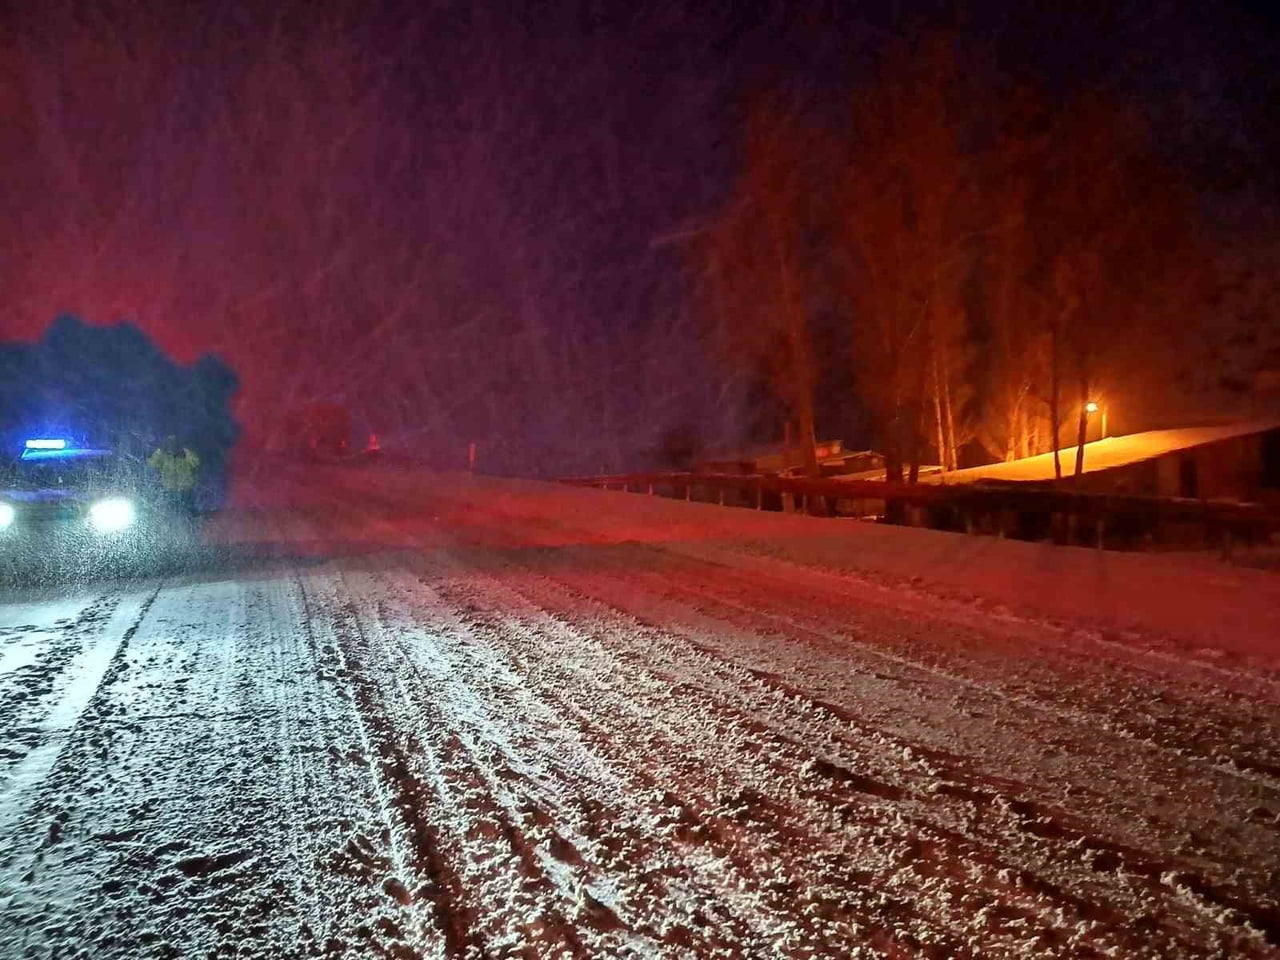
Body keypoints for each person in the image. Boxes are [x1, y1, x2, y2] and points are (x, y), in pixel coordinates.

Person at [147, 436, 201, 513]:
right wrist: (159, 450)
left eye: (174, 442)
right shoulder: (164, 458)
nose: (172, 444)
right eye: (170, 442)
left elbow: (196, 462)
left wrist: (186, 449)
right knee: (169, 513)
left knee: (188, 513)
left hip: (185, 492)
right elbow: (152, 463)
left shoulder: (185, 458)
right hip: (169, 492)